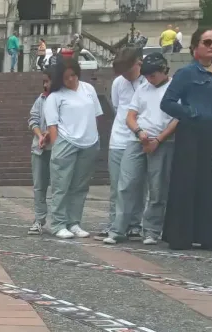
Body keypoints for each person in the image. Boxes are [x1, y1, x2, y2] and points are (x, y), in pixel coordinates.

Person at [160, 28, 212, 250]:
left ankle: (208, 235)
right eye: (207, 41)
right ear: (194, 48)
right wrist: (192, 112)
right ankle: (180, 235)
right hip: (192, 134)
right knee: (187, 183)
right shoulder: (186, 73)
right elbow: (167, 102)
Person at [103, 53, 177, 246]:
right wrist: (138, 131)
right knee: (126, 184)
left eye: (153, 76)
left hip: (163, 141)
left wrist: (158, 139)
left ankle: (152, 230)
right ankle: (118, 228)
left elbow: (177, 119)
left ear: (164, 71)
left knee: (157, 188)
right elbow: (130, 115)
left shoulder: (175, 87)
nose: (149, 79)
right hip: (137, 139)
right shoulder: (143, 88)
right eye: (147, 76)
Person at [44, 57, 104, 239]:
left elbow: (96, 115)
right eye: (66, 77)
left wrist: (93, 134)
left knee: (80, 186)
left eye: (73, 75)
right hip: (66, 142)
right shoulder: (55, 96)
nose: (70, 80)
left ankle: (74, 222)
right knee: (61, 185)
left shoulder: (88, 89)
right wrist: (56, 147)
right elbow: (52, 125)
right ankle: (57, 223)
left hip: (89, 142)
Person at [100, 47, 146, 239]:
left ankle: (134, 223)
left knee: (135, 184)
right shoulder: (119, 83)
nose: (126, 76)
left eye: (129, 71)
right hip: (118, 138)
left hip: (138, 138)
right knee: (116, 185)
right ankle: (115, 221)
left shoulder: (147, 81)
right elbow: (118, 107)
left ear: (139, 63)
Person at [27, 73, 52, 235]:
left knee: (59, 187)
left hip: (58, 148)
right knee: (39, 186)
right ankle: (39, 218)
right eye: (44, 81)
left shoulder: (64, 98)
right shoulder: (41, 99)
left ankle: (59, 220)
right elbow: (33, 120)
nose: (46, 84)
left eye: (49, 81)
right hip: (40, 147)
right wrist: (40, 135)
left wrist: (50, 134)